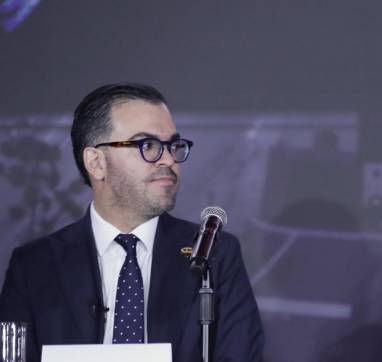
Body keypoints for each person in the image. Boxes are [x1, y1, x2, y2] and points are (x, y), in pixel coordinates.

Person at [0, 83, 264, 361]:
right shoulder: (34, 265)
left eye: (173, 145)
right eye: (147, 145)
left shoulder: (213, 255)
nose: (168, 160)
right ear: (96, 162)